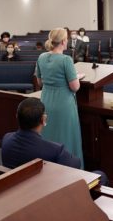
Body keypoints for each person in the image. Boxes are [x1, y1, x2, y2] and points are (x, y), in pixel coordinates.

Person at [2, 98, 108, 185]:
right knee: (101, 175)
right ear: (43, 119)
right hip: (48, 194)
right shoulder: (55, 151)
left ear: (17, 117)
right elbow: (76, 164)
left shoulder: (6, 139)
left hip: (16, 191)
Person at [36, 28, 85, 166]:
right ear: (63, 41)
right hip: (63, 104)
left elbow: (40, 82)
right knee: (66, 136)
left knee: (48, 135)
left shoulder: (41, 57)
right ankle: (69, 168)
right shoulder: (66, 60)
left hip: (46, 101)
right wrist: (76, 77)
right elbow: (75, 87)